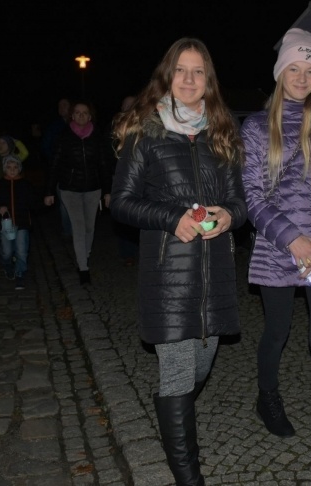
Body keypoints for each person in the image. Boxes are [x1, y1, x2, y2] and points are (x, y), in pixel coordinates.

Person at [110, 37, 247, 486]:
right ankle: (190, 477)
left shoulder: (221, 132)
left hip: (215, 273)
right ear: (168, 76)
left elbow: (239, 203)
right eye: (181, 71)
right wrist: (173, 219)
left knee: (201, 364)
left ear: (209, 81)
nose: (189, 80)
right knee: (177, 371)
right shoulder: (144, 131)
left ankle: (174, 407)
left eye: (198, 72)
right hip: (168, 274)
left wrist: (229, 214)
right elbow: (123, 203)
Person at [241, 28, 311, 486]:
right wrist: (293, 240)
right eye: (295, 67)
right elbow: (251, 196)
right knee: (277, 331)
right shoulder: (255, 127)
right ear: (280, 71)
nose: (303, 77)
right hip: (276, 251)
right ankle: (266, 396)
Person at [44, 101, 111, 285]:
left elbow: (104, 165)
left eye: (85, 113)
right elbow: (55, 164)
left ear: (90, 116)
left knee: (90, 227)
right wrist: (49, 191)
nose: (81, 116)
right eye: (78, 113)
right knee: (79, 227)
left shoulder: (97, 137)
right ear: (72, 116)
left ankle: (84, 256)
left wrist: (107, 191)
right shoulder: (64, 136)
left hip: (92, 188)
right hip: (70, 189)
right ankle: (83, 268)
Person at [0, 154, 40, 290]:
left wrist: (37, 204)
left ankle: (20, 273)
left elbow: (34, 202)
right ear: (4, 169)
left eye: (15, 167)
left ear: (19, 169)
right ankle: (8, 265)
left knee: (21, 250)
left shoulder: (25, 185)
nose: (12, 170)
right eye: (9, 167)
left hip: (22, 223)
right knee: (7, 251)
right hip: (5, 225)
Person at [110, 95, 140, 266]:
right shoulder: (116, 127)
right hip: (121, 176)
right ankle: (127, 253)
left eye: (132, 105)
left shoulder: (145, 125)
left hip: (141, 178)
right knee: (124, 216)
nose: (129, 108)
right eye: (126, 105)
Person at [42, 98, 72, 238]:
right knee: (64, 203)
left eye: (64, 105)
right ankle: (68, 230)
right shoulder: (54, 127)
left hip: (77, 171)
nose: (62, 108)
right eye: (59, 105)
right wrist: (54, 162)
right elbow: (46, 146)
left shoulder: (76, 124)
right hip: (60, 171)